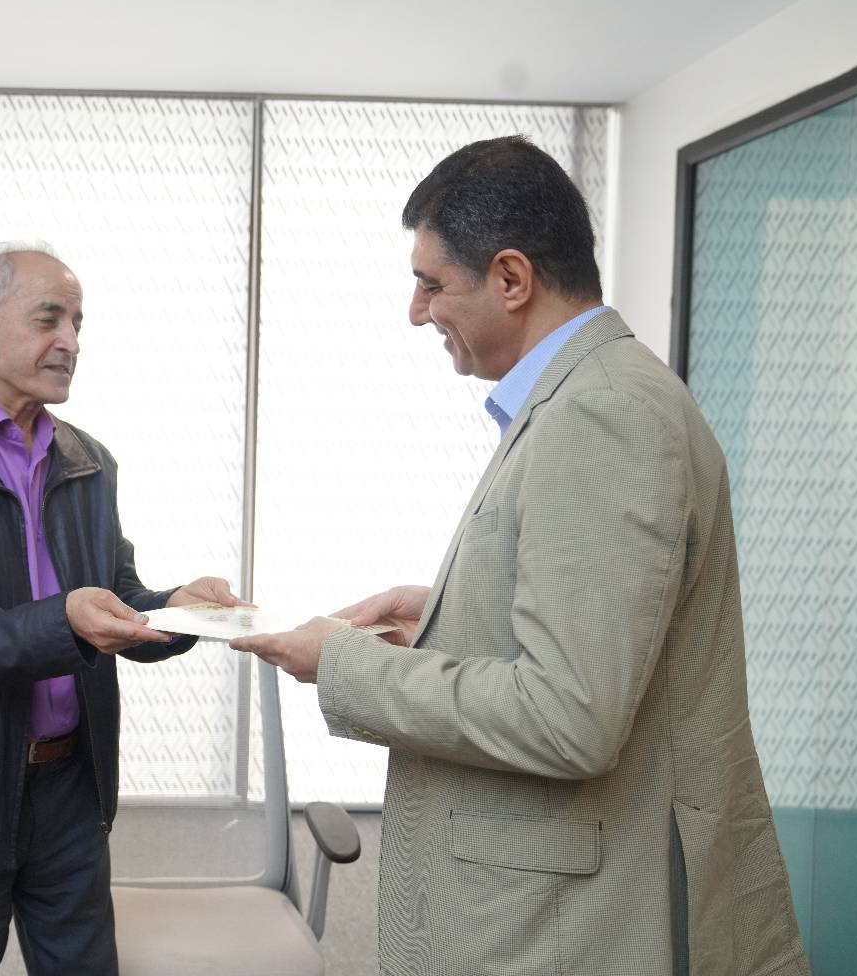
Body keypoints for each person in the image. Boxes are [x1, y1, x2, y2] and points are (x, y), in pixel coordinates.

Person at [231, 137, 809, 976]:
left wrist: (343, 663)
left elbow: (570, 717)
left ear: (511, 278)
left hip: (568, 929)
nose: (417, 312)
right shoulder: (593, 395)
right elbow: (609, 633)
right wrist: (450, 616)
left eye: (432, 284)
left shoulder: (603, 413)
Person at [0, 243, 239, 976]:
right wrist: (65, 620)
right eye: (49, 319)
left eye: (77, 322)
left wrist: (179, 611)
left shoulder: (90, 461)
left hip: (71, 789)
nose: (70, 341)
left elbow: (117, 596)